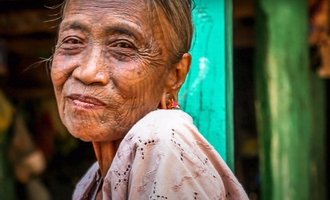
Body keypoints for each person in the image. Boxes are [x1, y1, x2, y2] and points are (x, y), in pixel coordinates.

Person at [50, 0, 249, 199]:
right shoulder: (92, 179)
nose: (87, 72)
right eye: (72, 41)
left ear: (175, 75)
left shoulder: (160, 142)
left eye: (123, 45)